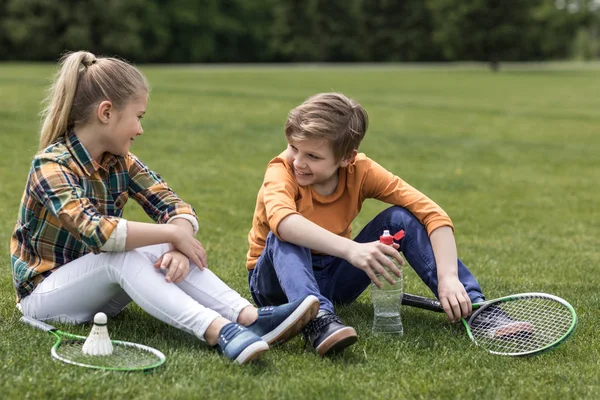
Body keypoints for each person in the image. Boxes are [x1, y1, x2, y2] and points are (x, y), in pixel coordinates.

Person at [10, 51, 319, 365]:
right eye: (138, 116)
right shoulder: (50, 165)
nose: (140, 129)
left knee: (154, 242)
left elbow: (173, 204)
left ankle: (249, 318)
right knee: (124, 255)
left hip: (99, 291)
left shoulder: (119, 162)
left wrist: (176, 242)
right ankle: (219, 330)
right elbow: (96, 232)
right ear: (106, 112)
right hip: (45, 297)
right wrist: (173, 234)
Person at [246, 92, 488, 357]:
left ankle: (477, 308)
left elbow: (433, 214)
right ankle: (319, 321)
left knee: (401, 217)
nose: (298, 162)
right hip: (276, 284)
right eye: (294, 147)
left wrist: (448, 278)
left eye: (313, 156)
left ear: (346, 158)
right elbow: (285, 224)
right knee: (286, 232)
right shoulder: (281, 171)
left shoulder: (360, 171)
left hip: (333, 275)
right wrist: (352, 250)